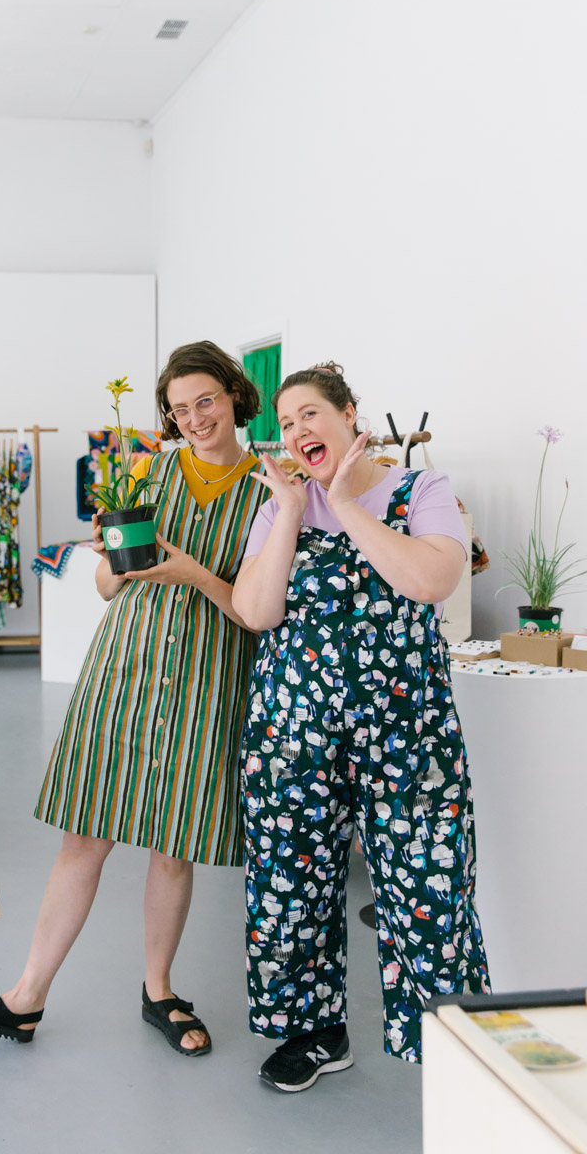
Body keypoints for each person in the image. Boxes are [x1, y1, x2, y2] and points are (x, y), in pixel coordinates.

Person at [0, 340, 266, 1055]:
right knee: (85, 837)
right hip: (124, 667)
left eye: (205, 400)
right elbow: (104, 585)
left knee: (173, 847)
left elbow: (254, 610)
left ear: (235, 395)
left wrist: (189, 573)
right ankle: (26, 998)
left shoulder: (269, 491)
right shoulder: (147, 471)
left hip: (212, 678)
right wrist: (113, 565)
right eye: (180, 409)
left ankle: (160, 991)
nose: (195, 418)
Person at [231, 363, 490, 1092]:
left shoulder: (419, 491)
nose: (297, 431)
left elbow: (431, 580)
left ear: (350, 416)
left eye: (310, 413)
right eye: (285, 423)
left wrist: (345, 505)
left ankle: (452, 1045)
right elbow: (257, 612)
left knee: (430, 890)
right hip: (292, 735)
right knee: (290, 885)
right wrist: (290, 511)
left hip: (409, 736)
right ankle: (316, 1034)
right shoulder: (281, 503)